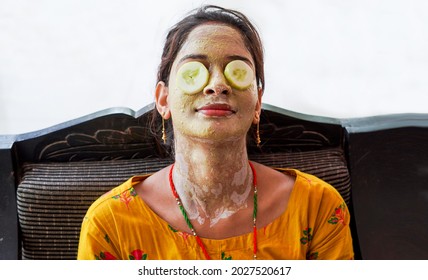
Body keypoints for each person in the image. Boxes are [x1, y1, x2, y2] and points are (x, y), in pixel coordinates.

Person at [77, 5, 354, 260]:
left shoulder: (317, 207)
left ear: (257, 102)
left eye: (237, 70)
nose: (218, 84)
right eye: (194, 70)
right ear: (163, 100)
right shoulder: (109, 222)